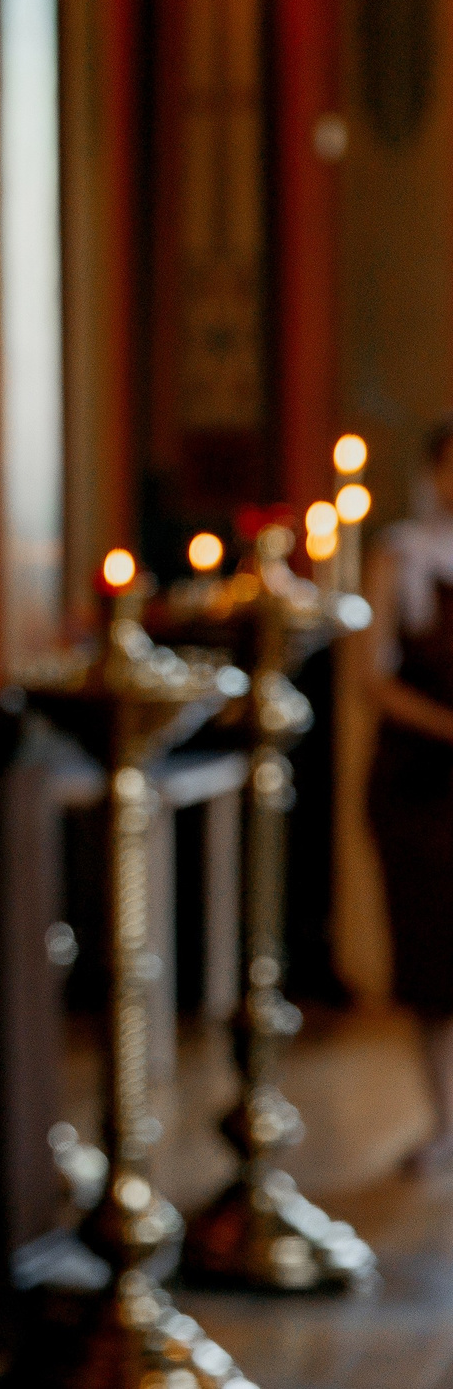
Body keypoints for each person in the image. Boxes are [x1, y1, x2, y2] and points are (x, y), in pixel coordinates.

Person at [363, 416, 453, 1173]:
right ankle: (442, 1119)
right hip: (420, 786)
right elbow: (373, 676)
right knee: (429, 962)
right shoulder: (401, 556)